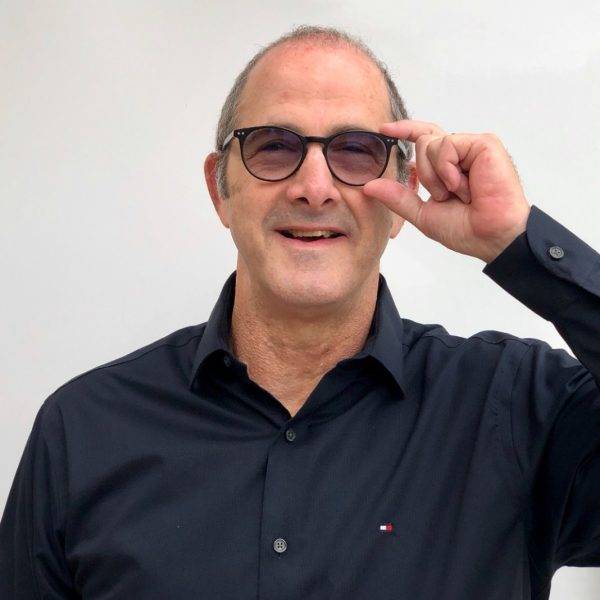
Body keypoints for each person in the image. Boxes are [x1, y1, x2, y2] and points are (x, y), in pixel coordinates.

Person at [1, 24, 598, 600]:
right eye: (274, 146)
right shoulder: (83, 431)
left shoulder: (519, 410)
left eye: (356, 151)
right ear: (219, 190)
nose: (314, 187)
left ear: (402, 196)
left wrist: (517, 240)